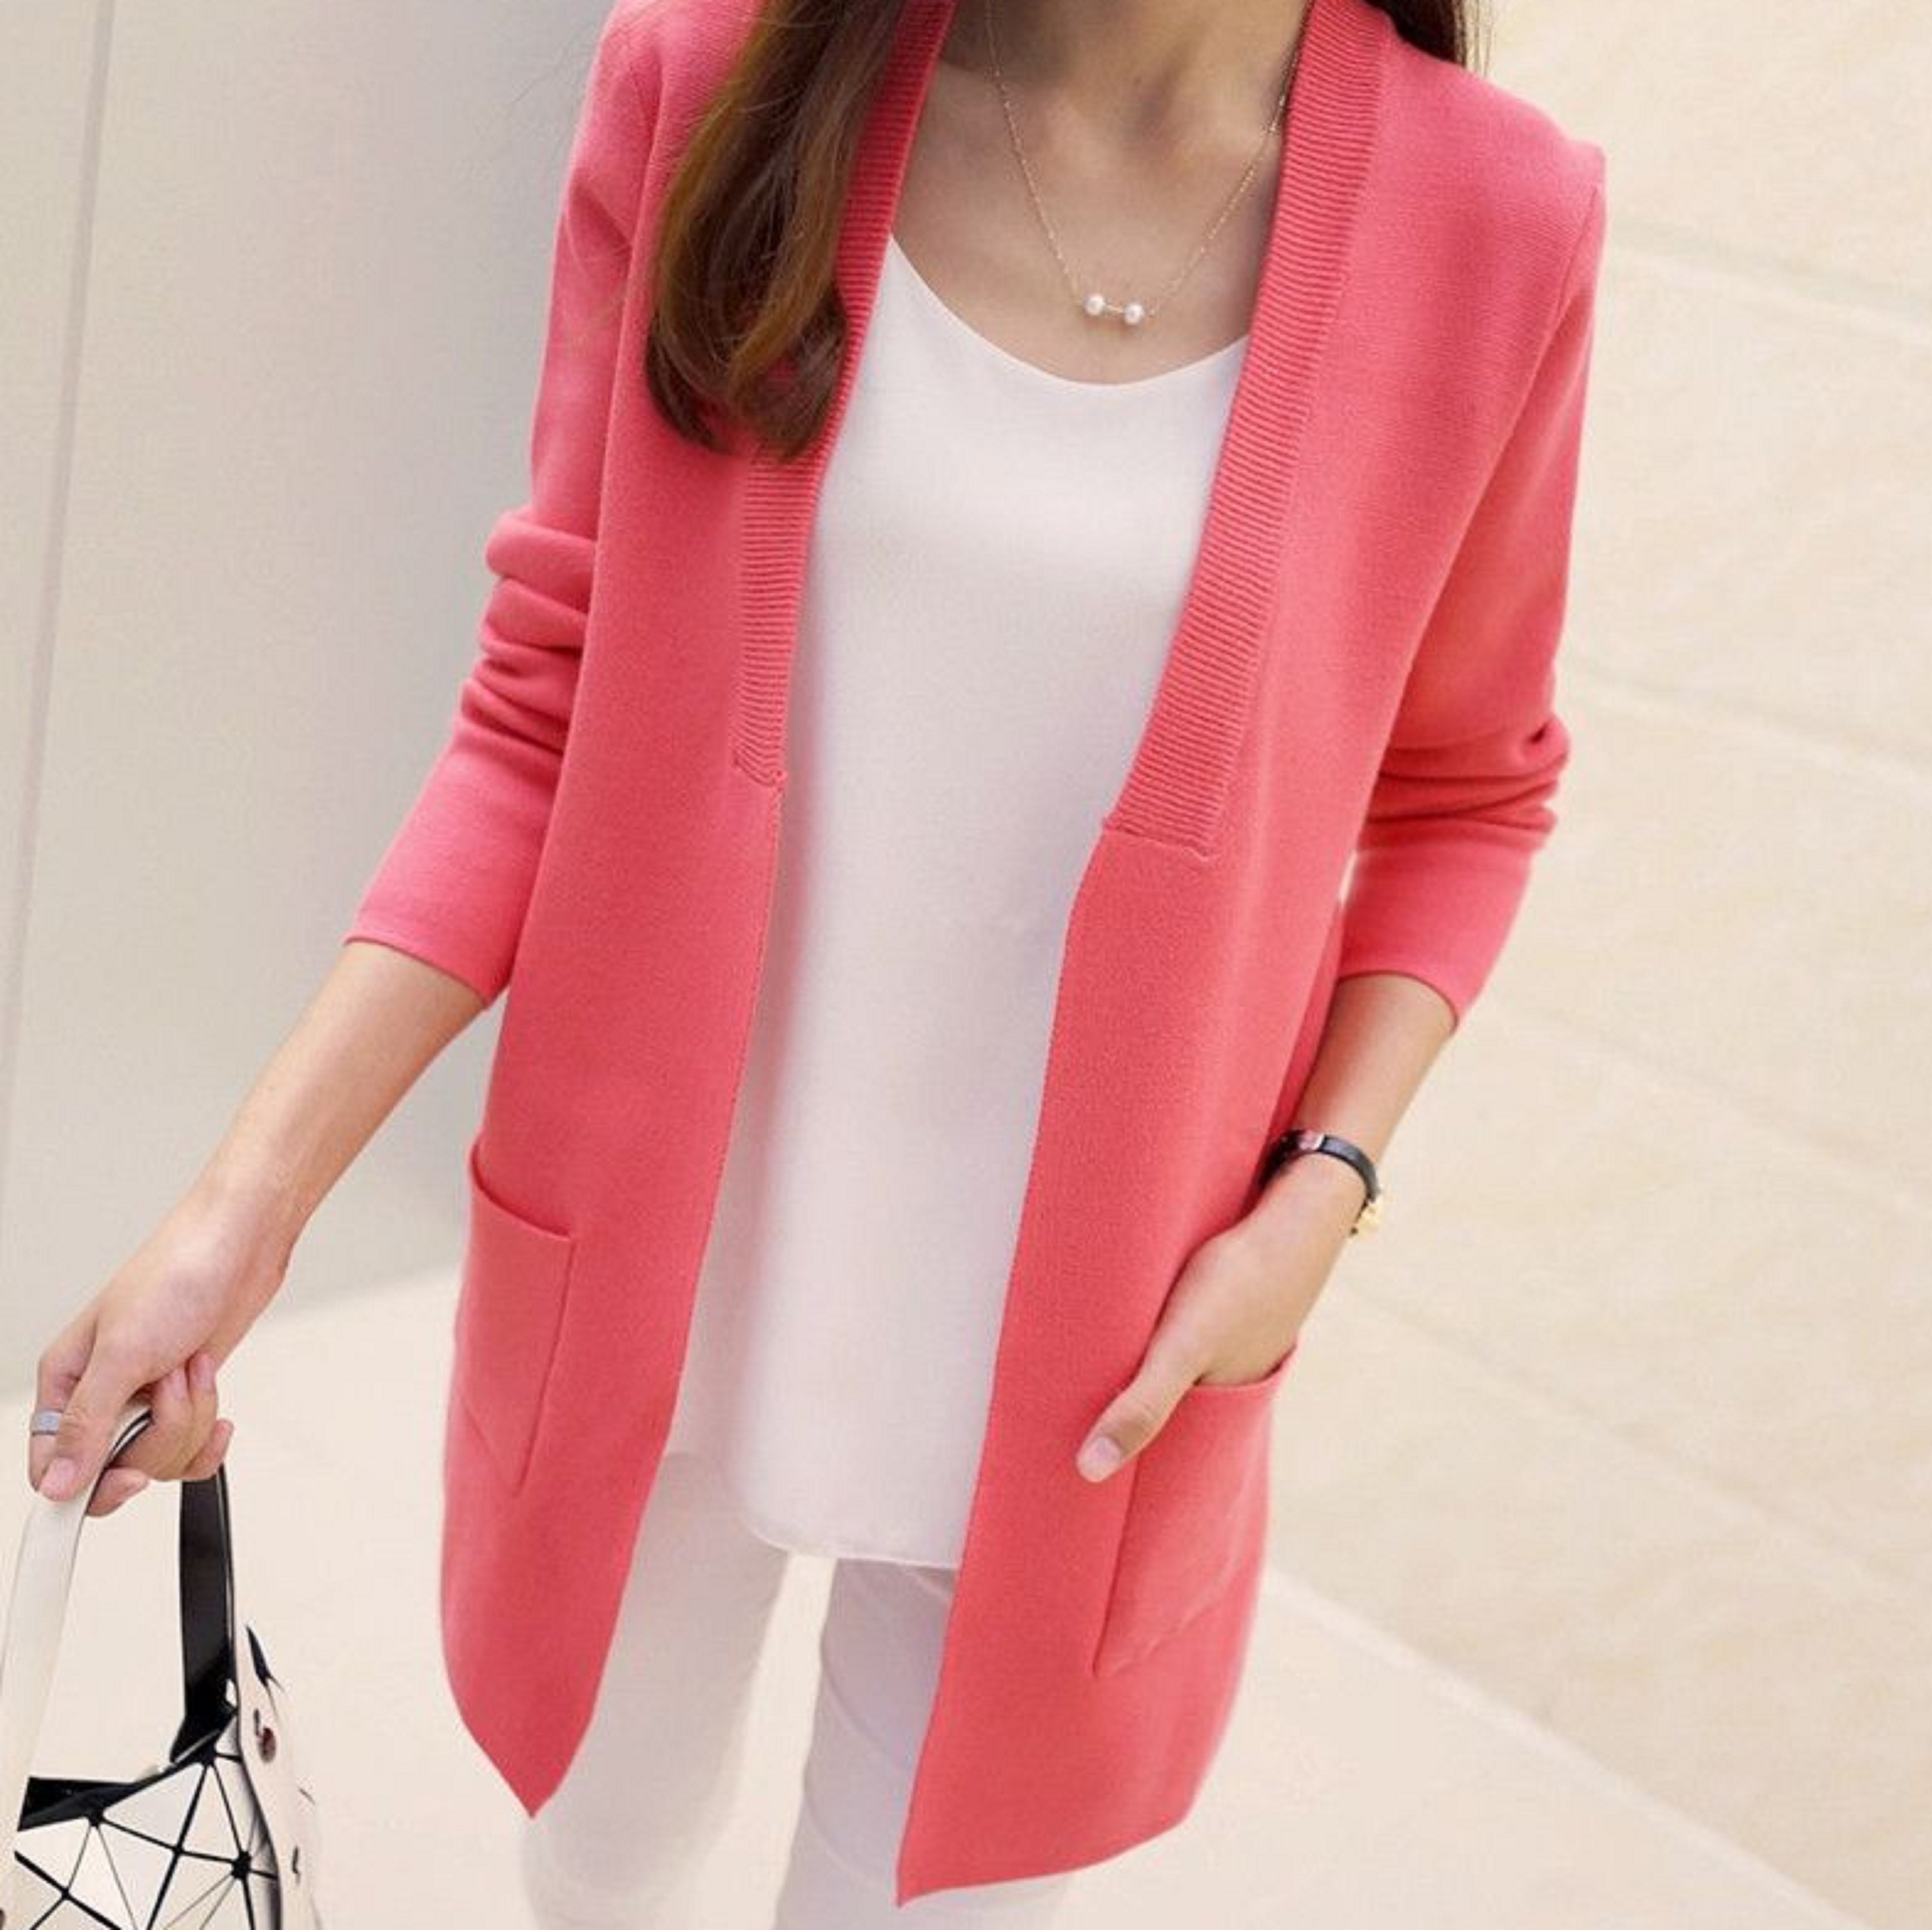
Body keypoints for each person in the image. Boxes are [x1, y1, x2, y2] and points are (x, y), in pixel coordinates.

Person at [25, 0, 1609, 1922]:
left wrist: (1320, 1197)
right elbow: (545, 706)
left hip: (1100, 1343)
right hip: (664, 1268)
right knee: (607, 1863)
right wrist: (243, 1211)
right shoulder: (721, 82)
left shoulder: (1495, 217)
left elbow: (1467, 794)